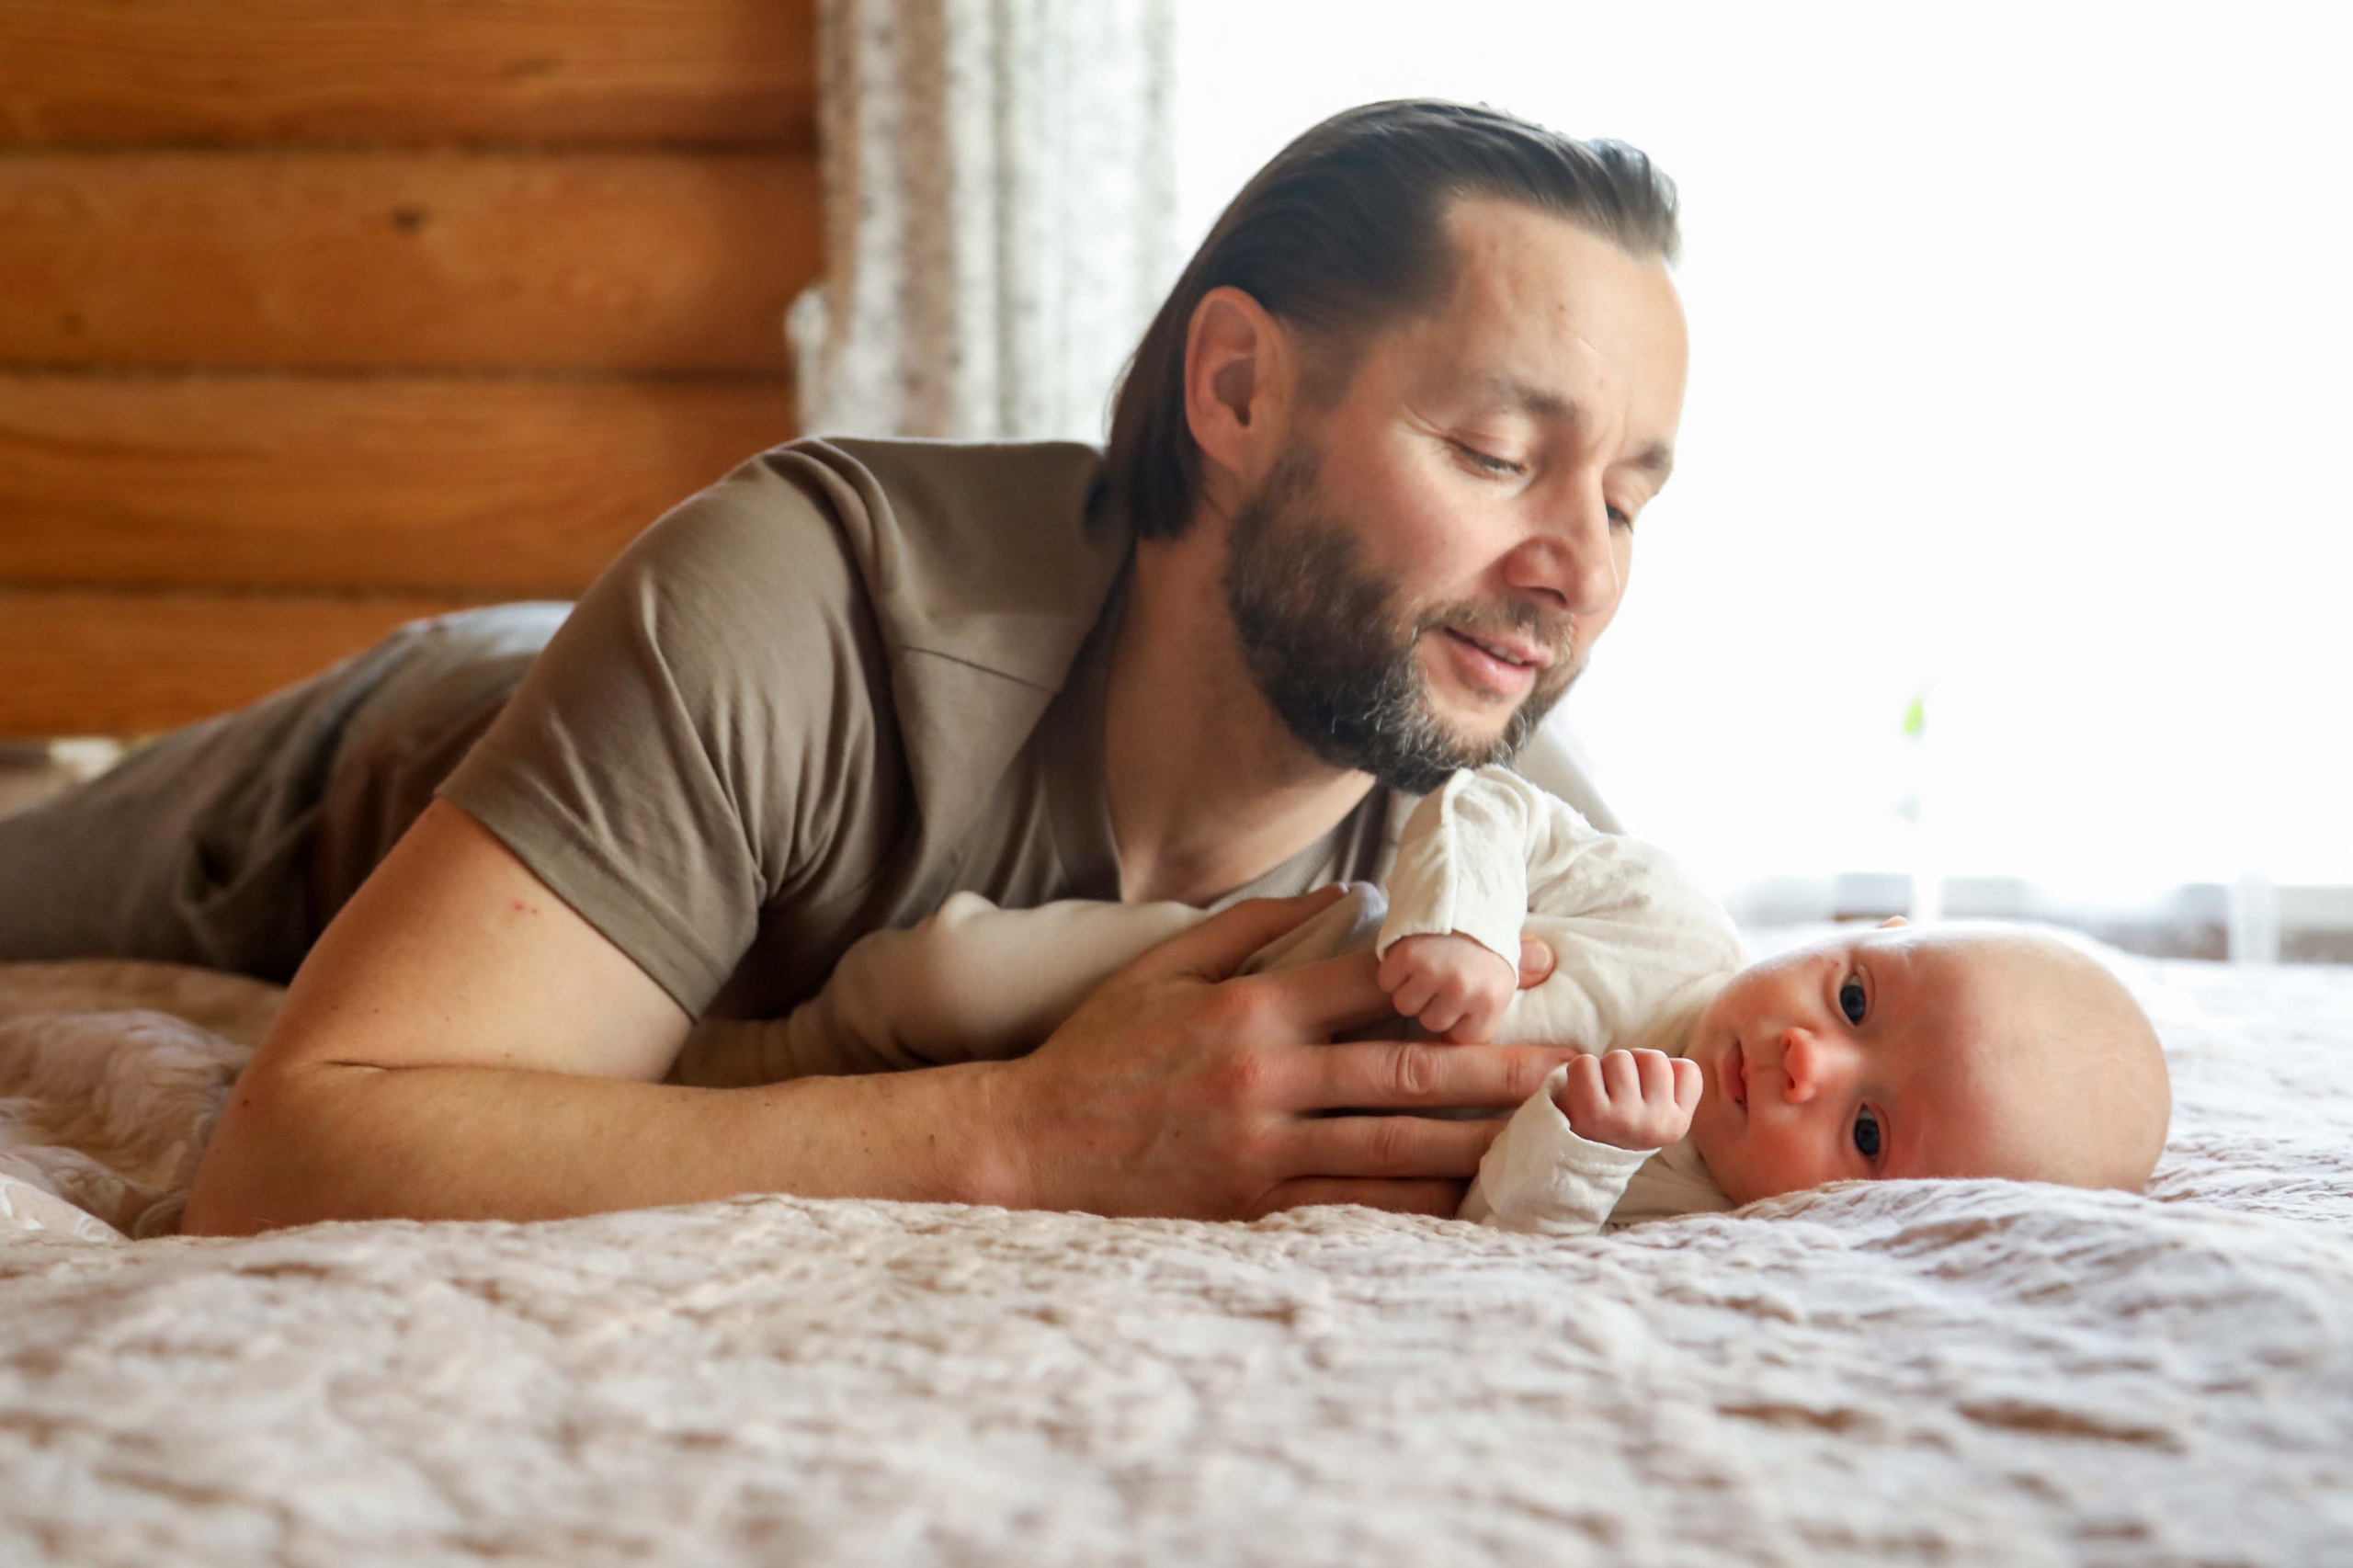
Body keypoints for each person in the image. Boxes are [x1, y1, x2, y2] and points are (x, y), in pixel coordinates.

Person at [0, 100, 1697, 1234]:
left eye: (1627, 500)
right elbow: (291, 1152)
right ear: (1238, 393)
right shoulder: (807, 598)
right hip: (400, 758)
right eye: (1493, 453)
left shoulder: (1505, 830)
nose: (1580, 569)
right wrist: (1038, 1134)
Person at [682, 767, 2173, 1234]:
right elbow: (1491, 800)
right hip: (1256, 958)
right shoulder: (1666, 913)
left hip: (1218, 1144)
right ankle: (759, 1043)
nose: (1801, 1052)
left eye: (1861, 1127)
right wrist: (1467, 927)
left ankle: (748, 1087)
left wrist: (1579, 1142)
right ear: (1855, 929)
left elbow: (1499, 1233)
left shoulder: (1692, 1206)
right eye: (1854, 992)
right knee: (947, 973)